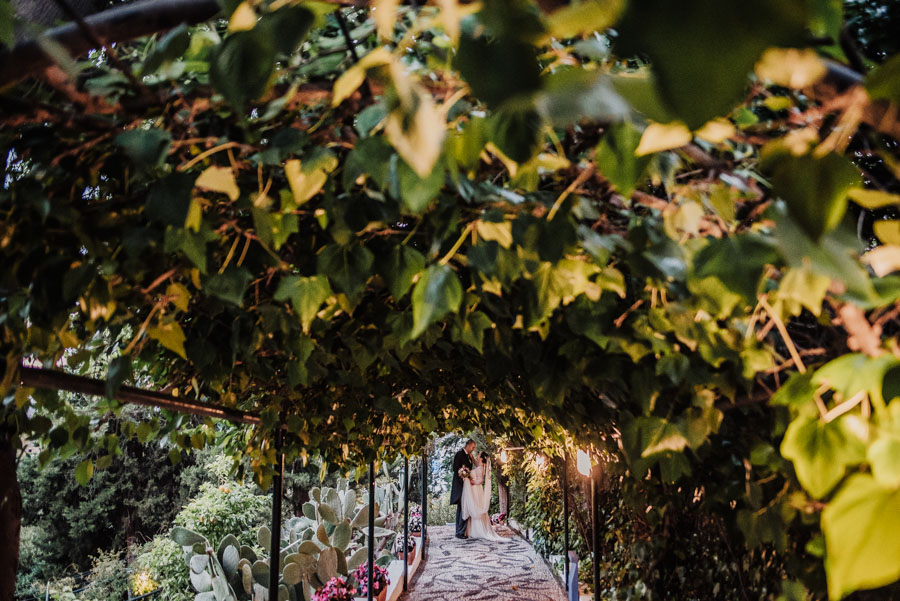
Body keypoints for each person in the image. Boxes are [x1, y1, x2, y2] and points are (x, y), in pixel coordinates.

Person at [461, 450, 510, 542]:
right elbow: (475, 462)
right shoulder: (480, 466)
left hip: (476, 489)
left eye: (479, 455)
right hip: (475, 490)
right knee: (474, 507)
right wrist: (470, 456)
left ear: (481, 458)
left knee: (476, 507)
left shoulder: (480, 468)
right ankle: (472, 530)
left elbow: (480, 481)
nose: (477, 455)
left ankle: (478, 531)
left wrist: (468, 480)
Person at [450, 439, 475, 539]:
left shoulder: (469, 456)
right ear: (468, 445)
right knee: (462, 507)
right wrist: (463, 473)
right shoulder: (459, 454)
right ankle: (459, 532)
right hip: (460, 485)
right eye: (473, 447)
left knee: (463, 507)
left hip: (466, 485)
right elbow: (455, 468)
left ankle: (461, 531)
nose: (473, 449)